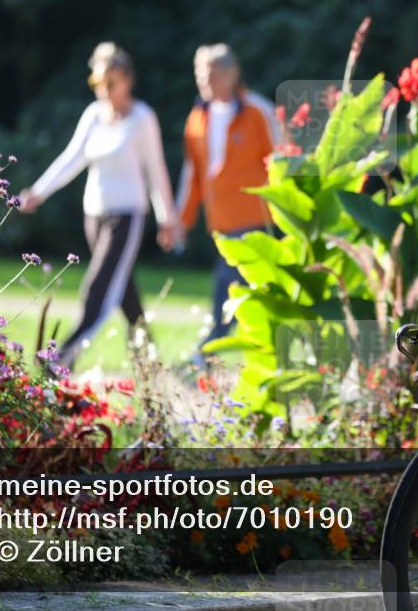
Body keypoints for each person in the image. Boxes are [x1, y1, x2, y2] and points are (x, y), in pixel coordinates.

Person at [19, 42, 179, 370]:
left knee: (99, 288)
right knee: (124, 293)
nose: (104, 90)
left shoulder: (142, 118)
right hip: (94, 217)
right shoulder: (93, 115)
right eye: (97, 82)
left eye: (111, 83)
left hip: (127, 218)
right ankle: (151, 366)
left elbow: (156, 170)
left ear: (127, 80)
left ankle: (59, 362)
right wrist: (38, 192)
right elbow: (72, 158)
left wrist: (167, 218)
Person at [165, 44, 279, 365]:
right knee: (243, 292)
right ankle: (247, 356)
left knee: (227, 286)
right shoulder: (197, 118)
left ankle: (208, 352)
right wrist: (181, 221)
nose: (205, 81)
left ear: (232, 74)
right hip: (221, 223)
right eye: (200, 75)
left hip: (256, 220)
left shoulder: (257, 111)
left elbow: (282, 161)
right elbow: (193, 175)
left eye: (212, 75)